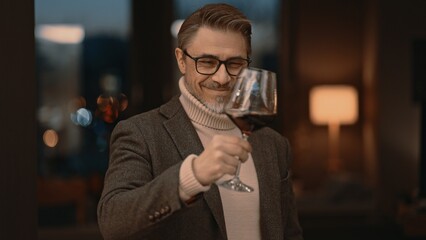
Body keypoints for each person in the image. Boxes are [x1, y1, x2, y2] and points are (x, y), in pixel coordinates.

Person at [97, 3, 303, 240]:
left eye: (235, 64)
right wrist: (192, 175)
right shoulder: (140, 133)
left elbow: (290, 234)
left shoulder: (274, 145)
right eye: (207, 62)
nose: (222, 77)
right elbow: (112, 222)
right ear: (181, 60)